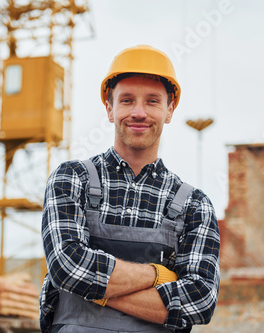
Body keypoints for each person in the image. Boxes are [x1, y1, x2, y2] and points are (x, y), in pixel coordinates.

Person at [40, 45, 220, 333]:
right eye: (127, 100)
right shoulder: (72, 179)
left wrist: (94, 290)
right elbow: (68, 267)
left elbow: (200, 301)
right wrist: (158, 275)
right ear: (110, 108)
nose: (139, 112)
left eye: (152, 101)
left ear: (169, 110)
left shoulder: (194, 206)